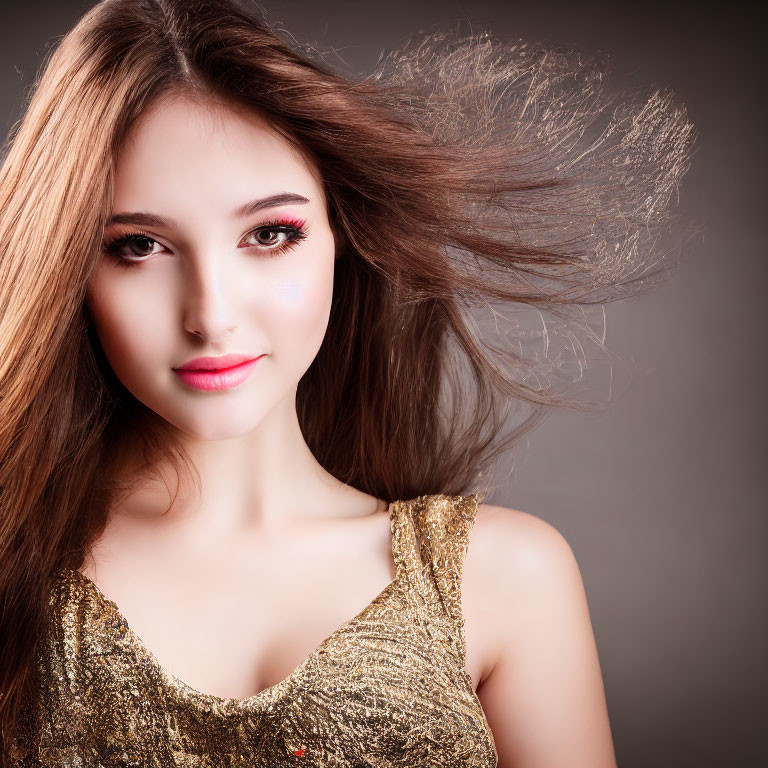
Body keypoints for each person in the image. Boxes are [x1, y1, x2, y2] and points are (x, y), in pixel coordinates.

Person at [0, 0, 695, 765]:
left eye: (270, 235)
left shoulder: (502, 580)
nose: (213, 316)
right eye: (139, 246)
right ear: (64, 269)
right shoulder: (15, 574)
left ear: (339, 240)